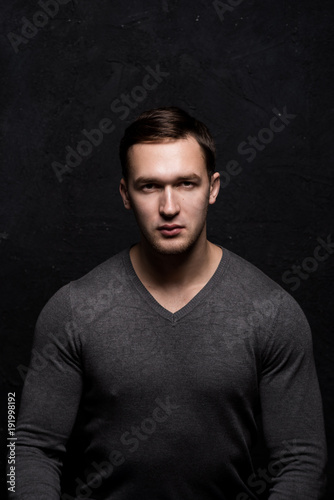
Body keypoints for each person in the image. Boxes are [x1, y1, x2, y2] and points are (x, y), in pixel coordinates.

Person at [10, 107, 326, 499]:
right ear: (126, 193)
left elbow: (302, 461)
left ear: (213, 188)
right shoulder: (74, 310)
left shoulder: (273, 312)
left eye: (186, 184)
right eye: (149, 186)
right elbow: (25, 447)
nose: (169, 206)